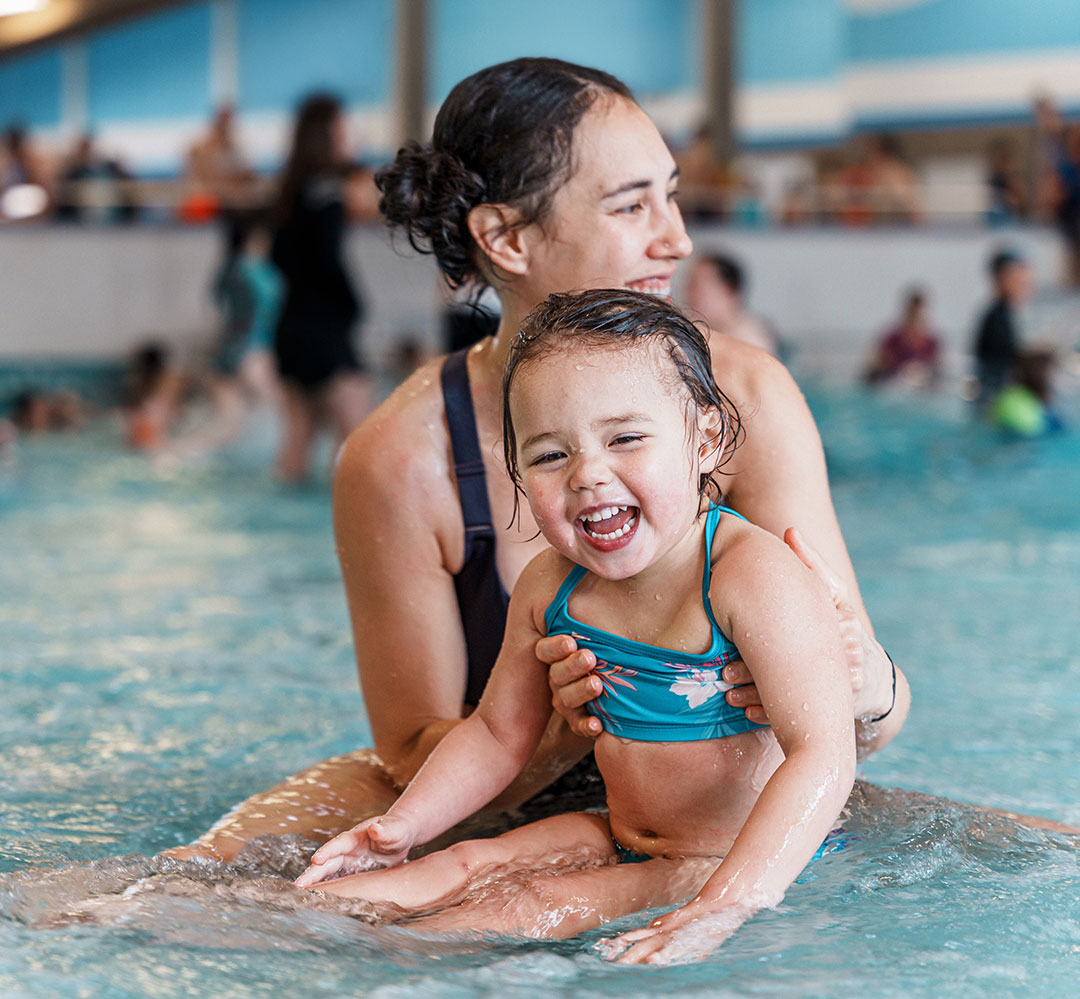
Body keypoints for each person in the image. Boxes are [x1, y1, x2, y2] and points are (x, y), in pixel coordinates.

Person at [168, 57, 907, 867]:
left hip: (729, 814)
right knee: (219, 872)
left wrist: (871, 688)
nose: (678, 236)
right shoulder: (404, 458)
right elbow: (412, 755)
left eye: (670, 192)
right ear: (505, 237)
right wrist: (559, 724)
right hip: (509, 809)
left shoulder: (743, 401)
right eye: (632, 204)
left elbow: (859, 719)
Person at [295, 290, 860, 965]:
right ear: (518, 472)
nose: (588, 475)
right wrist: (403, 825)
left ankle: (350, 973)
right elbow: (498, 732)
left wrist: (729, 901)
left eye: (625, 437)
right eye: (549, 455)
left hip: (732, 855)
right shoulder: (551, 582)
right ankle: (250, 930)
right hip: (619, 832)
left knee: (525, 907)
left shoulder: (747, 576)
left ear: (704, 439)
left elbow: (824, 751)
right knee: (461, 863)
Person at [270, 93, 374, 481]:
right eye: (345, 127)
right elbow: (327, 260)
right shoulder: (329, 192)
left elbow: (278, 259)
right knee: (358, 442)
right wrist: (352, 305)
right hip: (325, 330)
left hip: (290, 325)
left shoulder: (289, 190)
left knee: (297, 440)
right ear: (328, 133)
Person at [683, 253, 782, 357]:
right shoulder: (703, 330)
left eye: (697, 287)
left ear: (729, 290)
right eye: (688, 285)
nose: (689, 294)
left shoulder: (749, 339)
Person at [972, 248, 1032, 407]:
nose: (1025, 284)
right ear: (1001, 279)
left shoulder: (1002, 314)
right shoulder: (996, 319)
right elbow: (1004, 366)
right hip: (994, 404)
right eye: (1018, 278)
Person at [863, 288, 941, 388]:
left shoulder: (931, 343)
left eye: (918, 313)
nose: (914, 317)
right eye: (912, 312)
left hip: (921, 391)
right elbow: (874, 371)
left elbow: (936, 372)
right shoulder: (891, 341)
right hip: (892, 389)